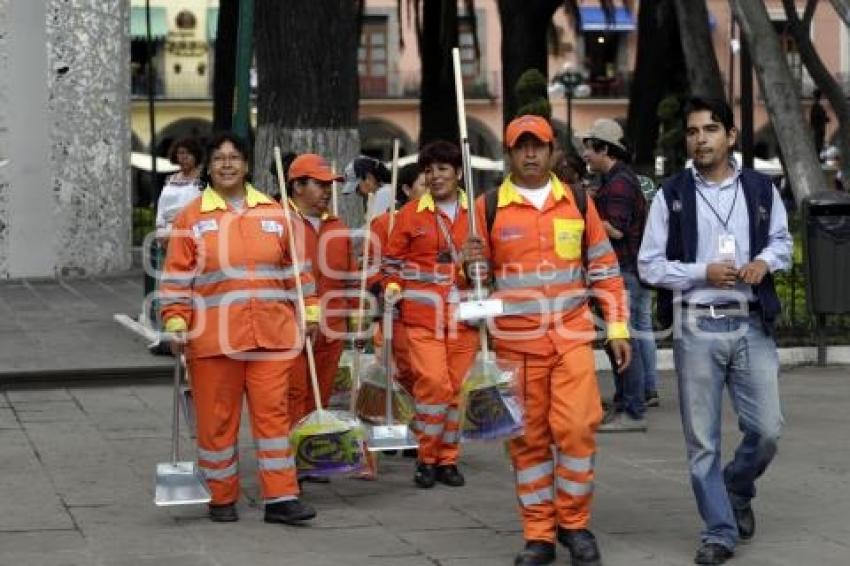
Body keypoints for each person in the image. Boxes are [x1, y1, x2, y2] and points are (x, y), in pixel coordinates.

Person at [463, 115, 631, 566]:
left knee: (577, 430)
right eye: (522, 147)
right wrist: (469, 264)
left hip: (571, 337)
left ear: (554, 151)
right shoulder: (489, 206)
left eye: (539, 146)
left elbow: (604, 269)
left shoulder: (576, 201)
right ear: (510, 153)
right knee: (527, 442)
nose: (531, 154)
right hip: (516, 346)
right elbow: (470, 286)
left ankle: (574, 525)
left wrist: (616, 327)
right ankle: (538, 534)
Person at [638, 97, 792, 565]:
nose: (701, 139)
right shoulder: (672, 194)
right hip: (697, 326)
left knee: (767, 430)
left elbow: (782, 242)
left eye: (710, 129)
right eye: (692, 131)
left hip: (751, 324)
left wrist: (764, 262)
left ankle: (736, 485)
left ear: (730, 136)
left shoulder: (762, 190)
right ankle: (719, 530)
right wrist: (702, 272)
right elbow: (649, 264)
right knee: (702, 441)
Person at [159, 132, 319, 525]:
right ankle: (220, 495)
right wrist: (175, 321)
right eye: (219, 158)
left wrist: (310, 314)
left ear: (247, 165)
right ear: (208, 167)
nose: (227, 164)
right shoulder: (191, 217)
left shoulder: (276, 213)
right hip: (214, 341)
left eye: (234, 157)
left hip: (273, 337)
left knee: (274, 420)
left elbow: (299, 274)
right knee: (217, 421)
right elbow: (176, 278)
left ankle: (281, 497)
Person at [383, 140, 479, 489]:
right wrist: (392, 285)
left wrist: (482, 267)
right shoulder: (411, 214)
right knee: (434, 386)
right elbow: (391, 262)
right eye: (429, 170)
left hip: (466, 319)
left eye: (442, 169)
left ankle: (447, 460)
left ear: (457, 173)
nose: (434, 176)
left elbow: (493, 261)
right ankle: (426, 458)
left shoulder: (478, 213)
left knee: (456, 392)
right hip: (422, 318)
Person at [581, 118, 653, 430]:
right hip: (621, 272)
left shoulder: (620, 183)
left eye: (590, 149)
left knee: (626, 342)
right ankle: (625, 401)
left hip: (623, 272)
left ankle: (632, 410)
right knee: (619, 341)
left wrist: (587, 212)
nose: (586, 155)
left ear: (605, 150)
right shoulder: (615, 180)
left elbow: (617, 231)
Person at [284, 154, 355, 425]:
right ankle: (290, 455)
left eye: (330, 185)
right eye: (320, 184)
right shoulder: (279, 222)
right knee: (294, 394)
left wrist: (356, 317)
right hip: (292, 329)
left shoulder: (337, 226)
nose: (328, 191)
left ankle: (314, 452)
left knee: (321, 395)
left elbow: (350, 278)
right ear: (297, 186)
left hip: (332, 329)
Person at [155, 137, 204, 233]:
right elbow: (161, 206)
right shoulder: (170, 180)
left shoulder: (204, 180)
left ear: (196, 155)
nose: (184, 157)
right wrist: (160, 227)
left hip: (193, 230)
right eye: (181, 153)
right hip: (167, 230)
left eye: (189, 153)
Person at [342, 155, 394, 220]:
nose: (357, 192)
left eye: (357, 187)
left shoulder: (384, 193)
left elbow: (374, 227)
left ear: (368, 177)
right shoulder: (378, 194)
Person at [810, 89, 830, 158]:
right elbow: (818, 117)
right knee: (818, 144)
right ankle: (818, 157)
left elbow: (816, 118)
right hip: (819, 129)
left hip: (818, 129)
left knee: (818, 144)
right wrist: (825, 118)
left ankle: (818, 156)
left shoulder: (817, 106)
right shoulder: (817, 107)